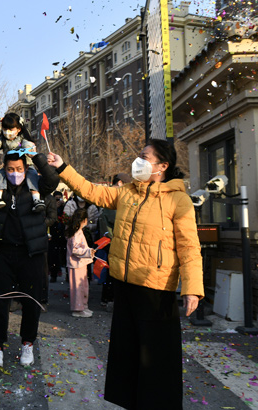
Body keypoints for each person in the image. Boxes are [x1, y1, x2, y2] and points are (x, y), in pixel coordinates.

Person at [46, 139, 203, 410]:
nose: (138, 161)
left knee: (156, 360)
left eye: (145, 156)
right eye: (139, 155)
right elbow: (92, 191)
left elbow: (189, 246)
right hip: (125, 285)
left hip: (156, 290)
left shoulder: (178, 199)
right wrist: (63, 168)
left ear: (162, 165)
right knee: (127, 354)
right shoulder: (128, 192)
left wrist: (192, 288)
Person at [0, 141, 60, 368]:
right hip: (3, 252)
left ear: (25, 168)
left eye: (19, 169)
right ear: (4, 169)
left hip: (32, 253)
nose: (15, 173)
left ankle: (27, 343)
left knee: (31, 301)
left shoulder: (35, 183)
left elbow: (53, 180)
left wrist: (37, 156)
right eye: (10, 169)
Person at [0, 113, 45, 212]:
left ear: (18, 129)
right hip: (9, 167)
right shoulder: (3, 141)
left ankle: (36, 199)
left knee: (32, 176)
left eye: (10, 129)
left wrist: (29, 147)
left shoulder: (21, 139)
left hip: (26, 165)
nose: (7, 132)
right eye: (5, 129)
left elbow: (26, 143)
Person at [97, 173, 132, 306]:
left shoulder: (110, 195)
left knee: (110, 270)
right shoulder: (115, 197)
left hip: (108, 238)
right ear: (120, 183)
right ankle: (109, 298)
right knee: (113, 271)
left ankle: (107, 297)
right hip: (112, 239)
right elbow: (117, 220)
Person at [66, 208, 95, 318]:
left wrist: (88, 251)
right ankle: (78, 309)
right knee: (78, 287)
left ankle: (83, 306)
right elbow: (75, 250)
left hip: (80, 263)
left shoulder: (76, 231)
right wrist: (88, 251)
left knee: (83, 286)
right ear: (83, 220)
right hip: (76, 264)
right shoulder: (76, 233)